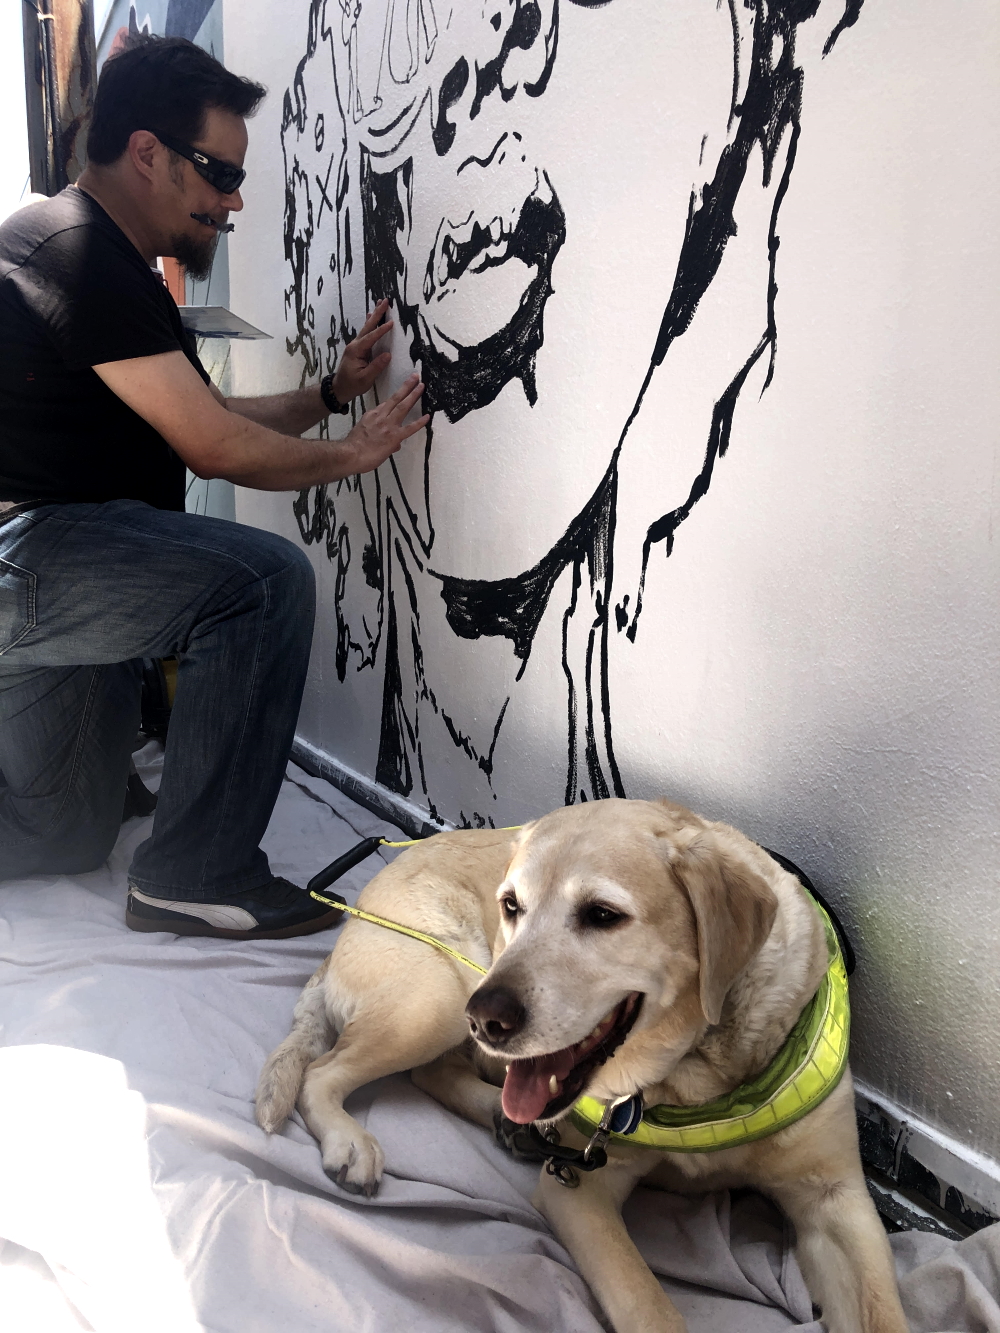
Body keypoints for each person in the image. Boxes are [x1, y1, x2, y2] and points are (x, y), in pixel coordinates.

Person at [0, 34, 428, 937]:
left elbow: (205, 421)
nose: (233, 200)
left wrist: (328, 395)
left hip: (42, 582)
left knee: (64, 832)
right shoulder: (74, 248)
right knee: (264, 583)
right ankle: (197, 871)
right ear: (147, 153)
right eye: (217, 172)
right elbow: (214, 448)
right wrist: (354, 452)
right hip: (29, 561)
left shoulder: (109, 264)